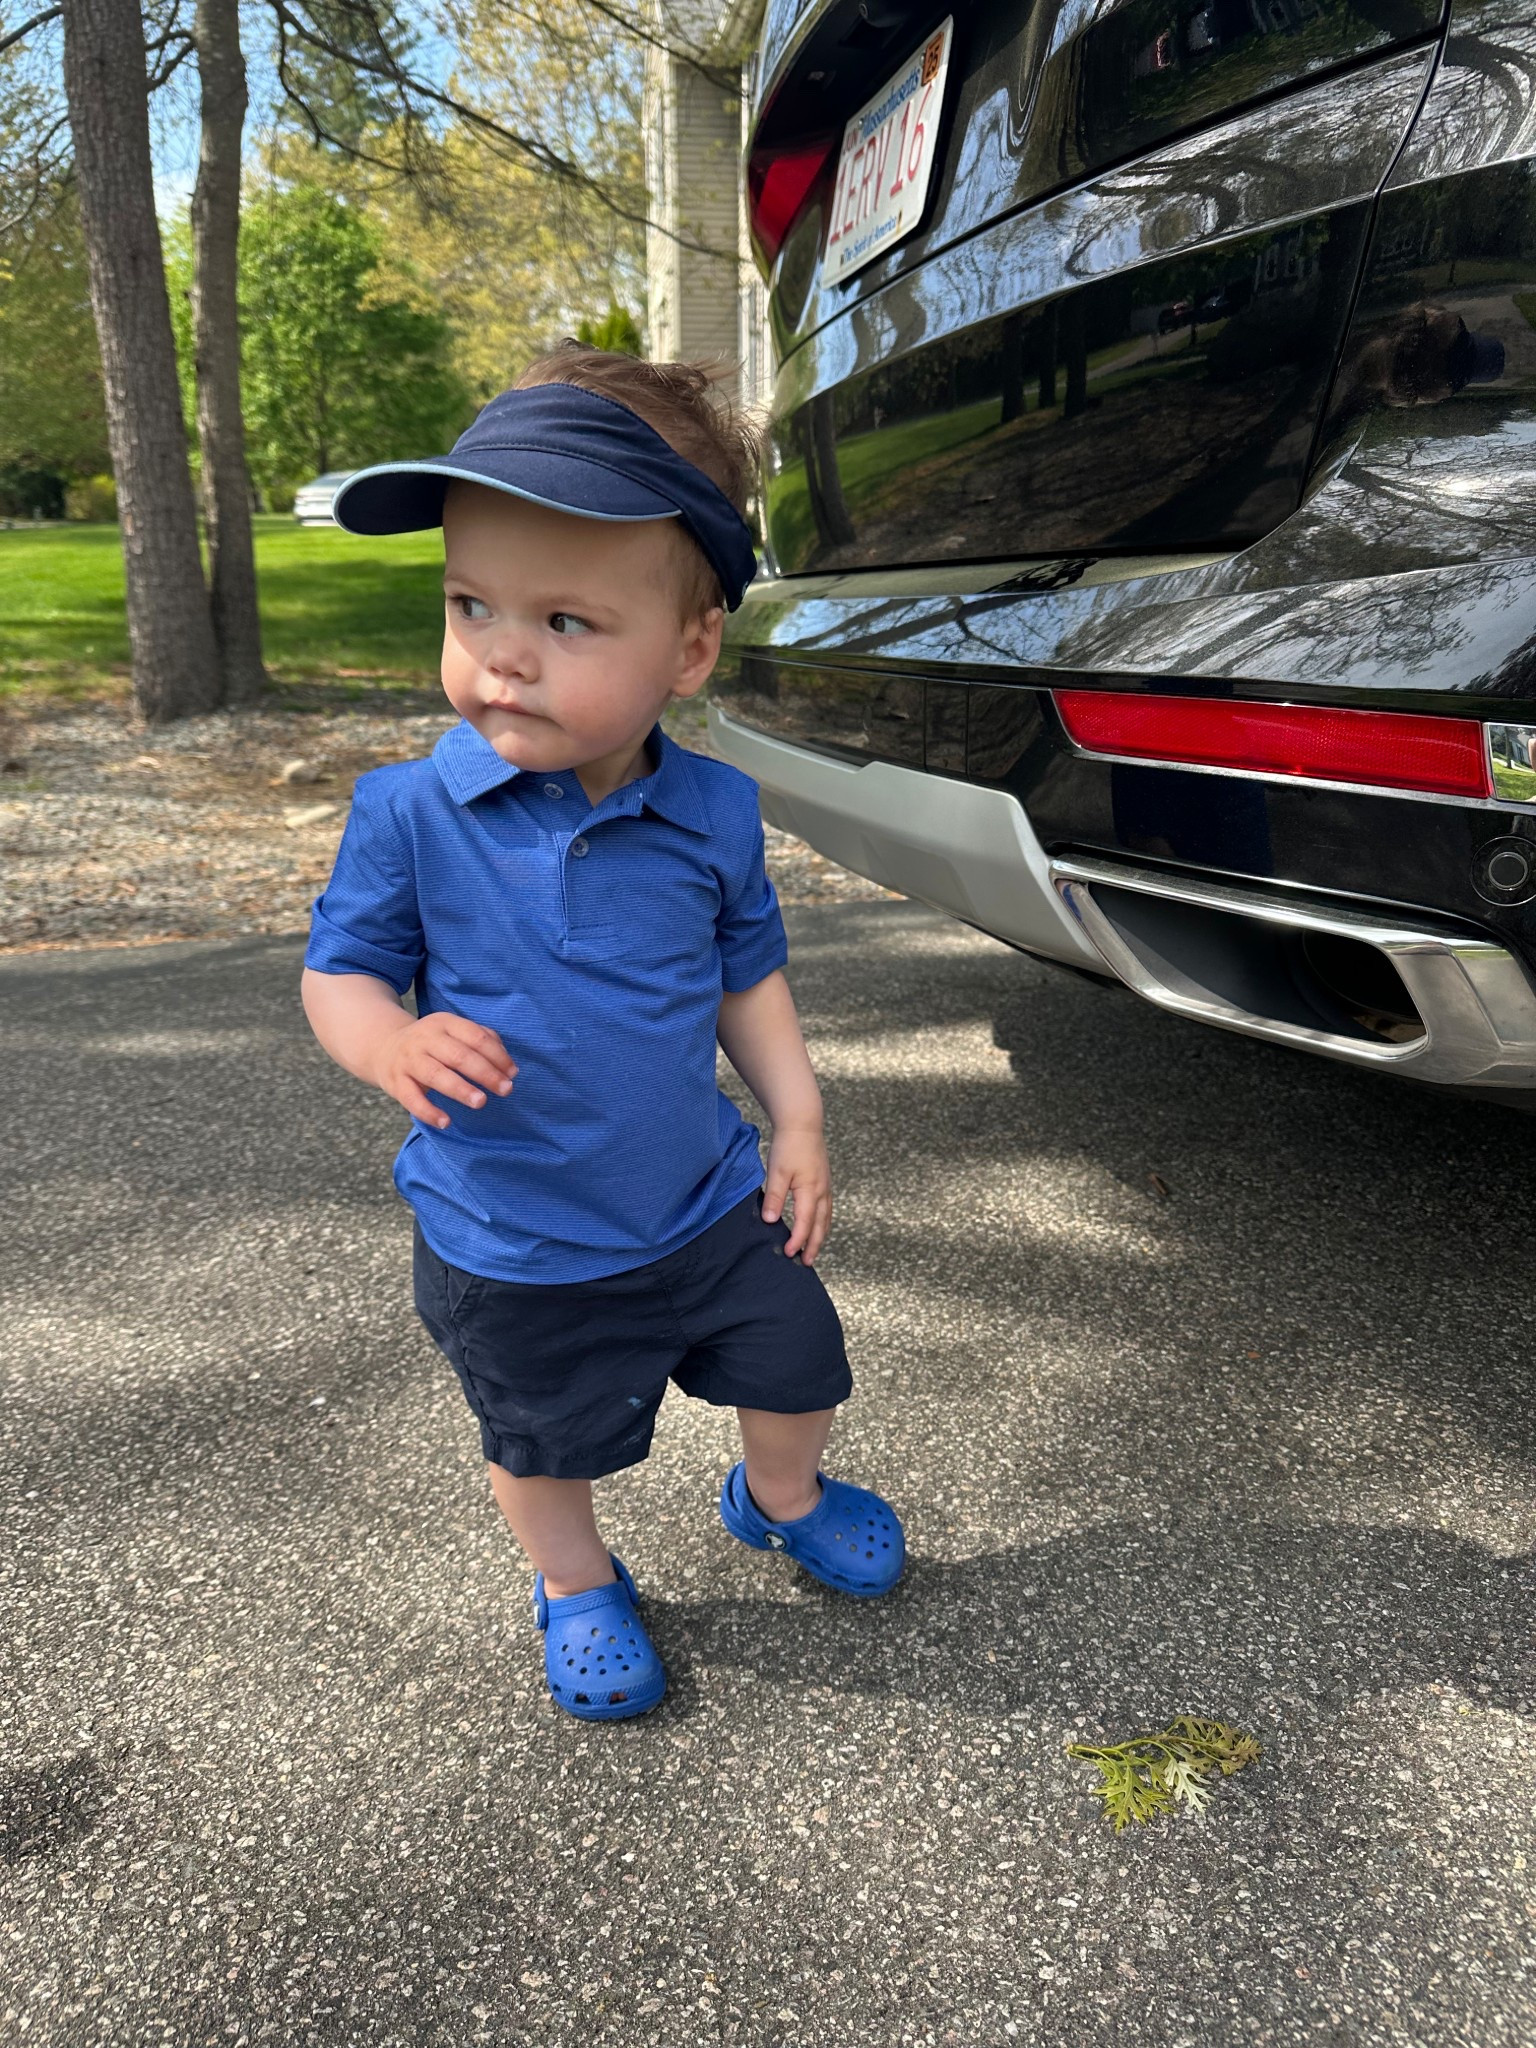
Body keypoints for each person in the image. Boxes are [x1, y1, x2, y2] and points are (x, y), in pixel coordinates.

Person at [300, 344, 905, 1722]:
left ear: (689, 651)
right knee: (541, 1442)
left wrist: (797, 1116)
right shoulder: (408, 814)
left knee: (801, 1365)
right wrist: (387, 1044)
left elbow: (747, 972)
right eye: (471, 605)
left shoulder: (714, 814)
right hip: (515, 1241)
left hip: (702, 1200)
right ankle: (575, 1582)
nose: (503, 652)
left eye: (566, 622)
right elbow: (339, 976)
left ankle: (778, 1494)